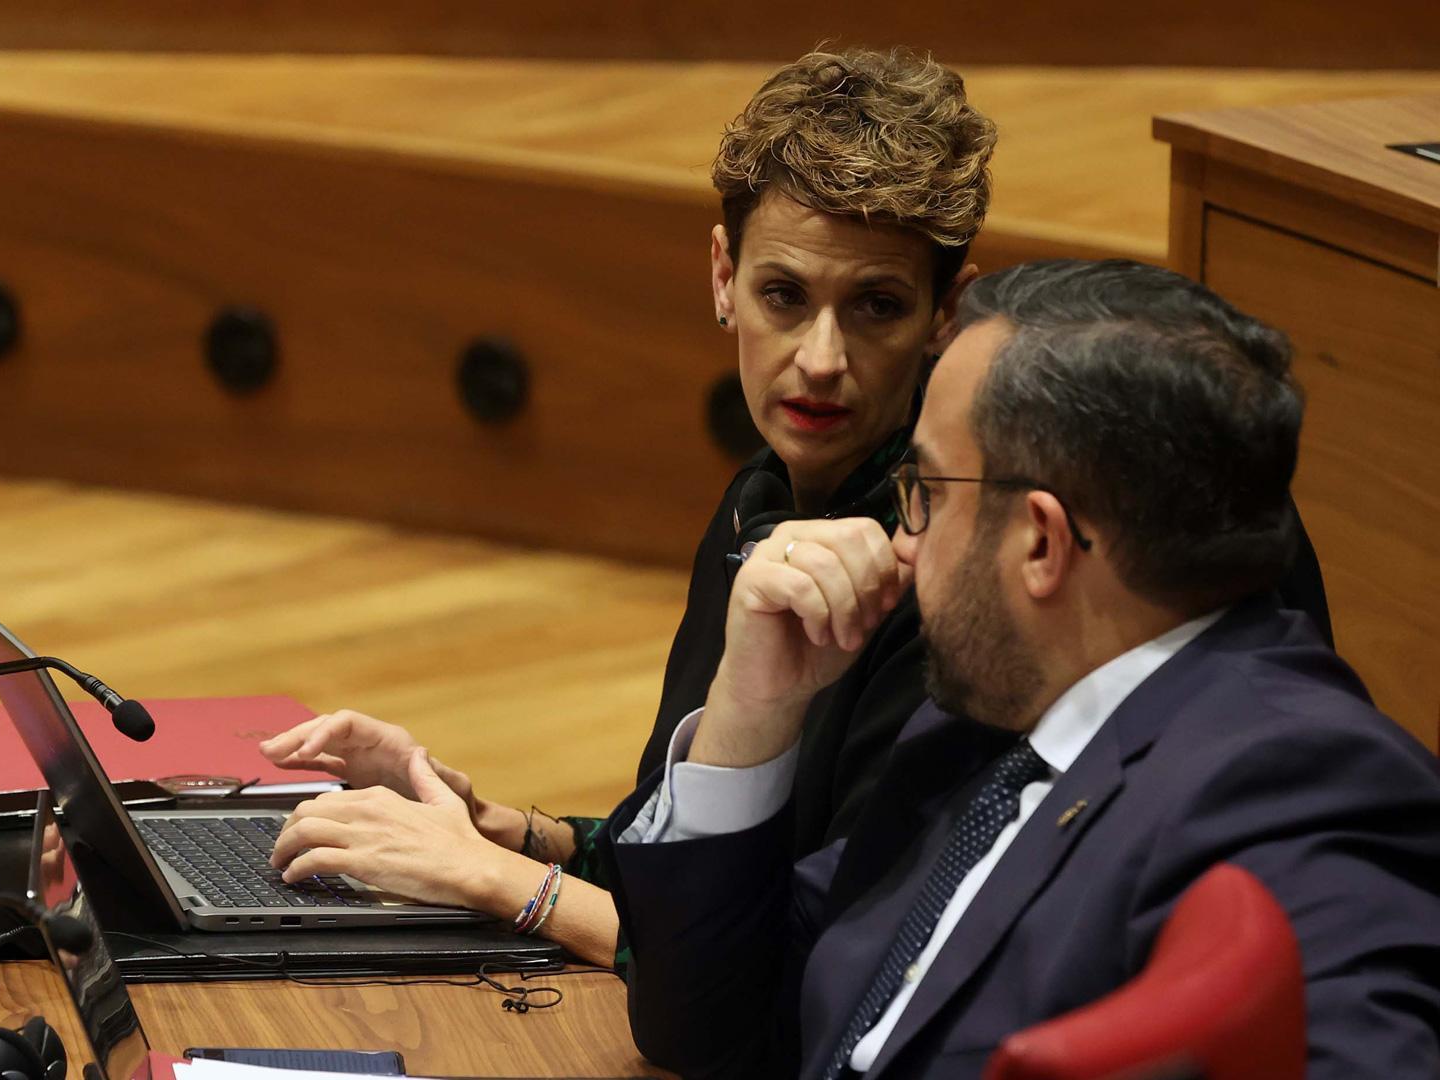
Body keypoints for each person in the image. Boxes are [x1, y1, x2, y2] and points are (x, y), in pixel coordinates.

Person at [604, 259, 1440, 1078]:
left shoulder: (1296, 783)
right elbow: (706, 1026)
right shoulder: (980, 730)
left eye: (924, 491)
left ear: (1040, 540)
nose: (902, 541)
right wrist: (755, 709)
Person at [259, 47, 1001, 967]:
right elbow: (677, 850)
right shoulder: (758, 498)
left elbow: (802, 978)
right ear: (723, 275)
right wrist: (483, 822)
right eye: (784, 295)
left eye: (876, 306)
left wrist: (490, 881)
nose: (819, 358)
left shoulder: (945, 578)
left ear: (945, 315)